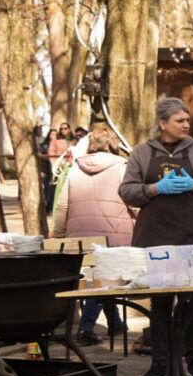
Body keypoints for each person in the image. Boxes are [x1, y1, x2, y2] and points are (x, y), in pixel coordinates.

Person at [120, 97, 193, 376]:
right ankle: (160, 362)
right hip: (155, 234)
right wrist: (154, 188)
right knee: (159, 302)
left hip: (192, 232)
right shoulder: (142, 153)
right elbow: (126, 190)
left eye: (187, 120)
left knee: (191, 299)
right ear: (162, 123)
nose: (186, 124)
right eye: (179, 120)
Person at [52, 124, 133, 345]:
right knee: (104, 279)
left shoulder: (75, 169)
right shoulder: (122, 167)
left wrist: (59, 238)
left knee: (100, 277)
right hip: (114, 239)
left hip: (80, 241)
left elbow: (61, 207)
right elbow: (133, 202)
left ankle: (115, 323)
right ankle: (86, 328)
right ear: (114, 145)